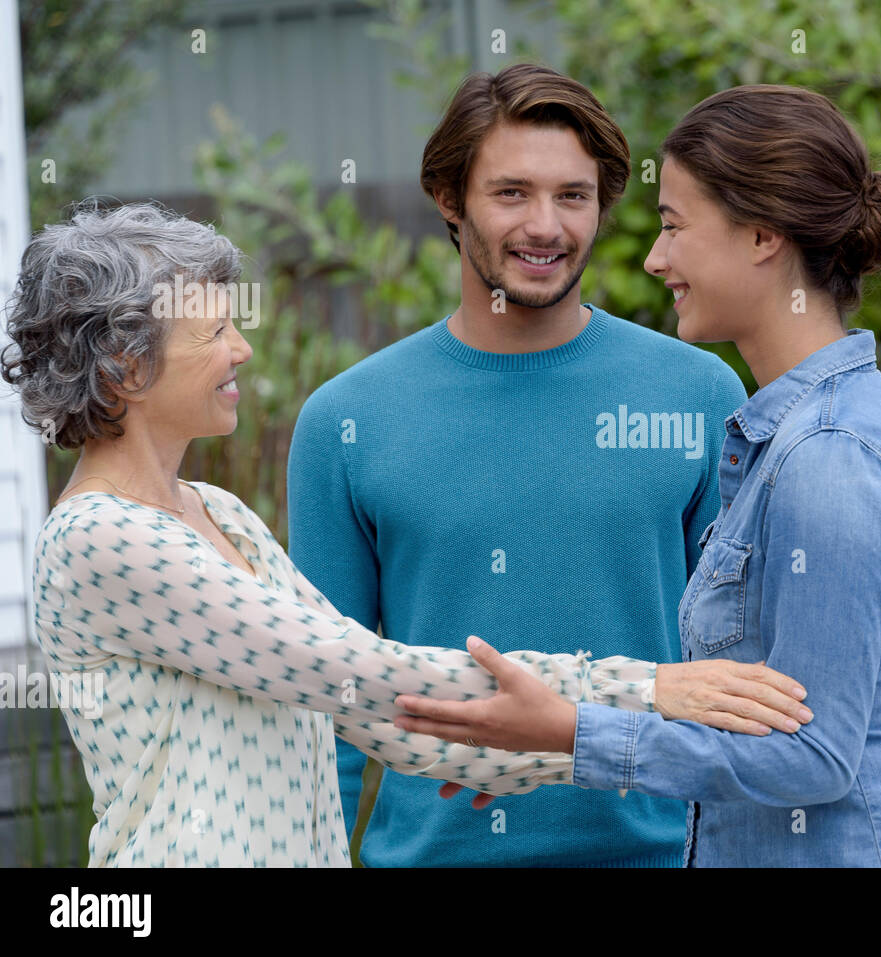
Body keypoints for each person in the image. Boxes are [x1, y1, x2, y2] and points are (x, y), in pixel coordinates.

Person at [0, 200, 813, 867]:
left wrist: (529, 748)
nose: (242, 349)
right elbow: (369, 671)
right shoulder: (103, 541)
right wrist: (647, 691)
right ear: (123, 368)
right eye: (213, 334)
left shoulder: (220, 513)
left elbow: (387, 715)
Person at [394, 85, 881, 867]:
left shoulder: (825, 457)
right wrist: (543, 749)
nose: (655, 259)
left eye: (673, 226)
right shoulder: (787, 437)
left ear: (761, 236)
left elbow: (815, 758)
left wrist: (573, 734)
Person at [287, 64, 765, 867]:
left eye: (573, 196)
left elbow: (738, 671)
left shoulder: (698, 392)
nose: (546, 225)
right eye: (511, 193)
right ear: (449, 198)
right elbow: (321, 705)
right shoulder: (346, 420)